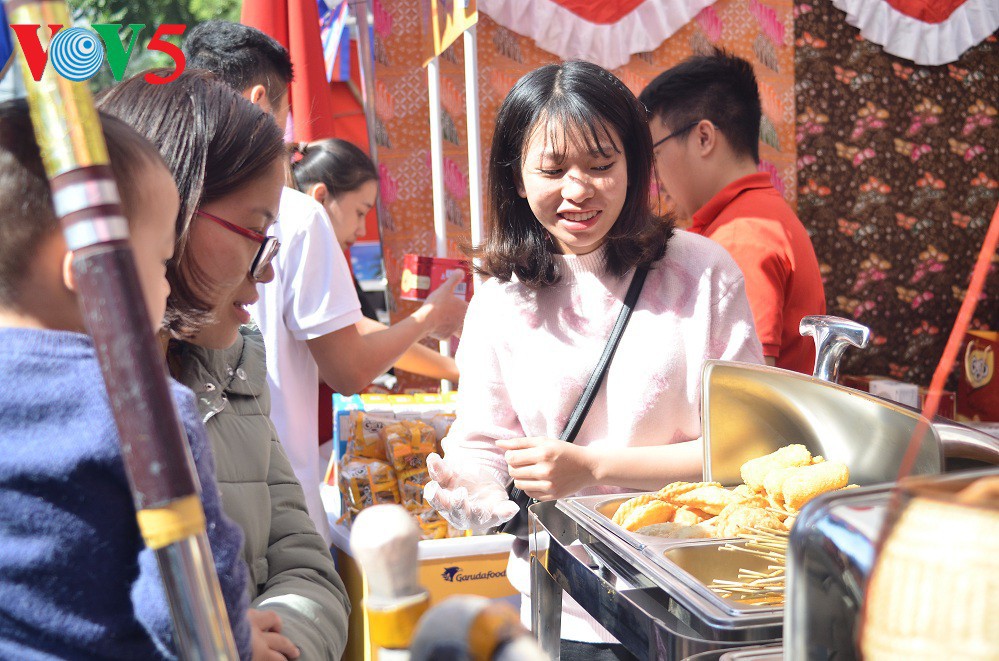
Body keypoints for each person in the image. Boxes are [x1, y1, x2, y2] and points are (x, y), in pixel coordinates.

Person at [423, 61, 764, 659]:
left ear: (635, 165)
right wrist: (469, 486)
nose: (578, 190)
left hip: (691, 604)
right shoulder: (500, 301)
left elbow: (747, 450)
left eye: (602, 165)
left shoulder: (703, 273)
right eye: (553, 169)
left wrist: (593, 467)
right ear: (517, 177)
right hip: (562, 609)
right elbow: (483, 443)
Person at [99, 70, 351, 660]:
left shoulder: (234, 360)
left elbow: (305, 567)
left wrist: (275, 644)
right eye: (255, 230)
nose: (268, 268)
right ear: (167, 214)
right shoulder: (61, 398)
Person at [183, 20, 467, 541]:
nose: (259, 277)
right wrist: (431, 320)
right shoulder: (295, 217)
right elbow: (348, 365)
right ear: (260, 100)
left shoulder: (168, 200)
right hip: (274, 501)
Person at [0, 100, 253, 659]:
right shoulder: (142, 407)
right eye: (161, 262)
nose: (167, 286)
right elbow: (188, 610)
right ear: (88, 271)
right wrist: (240, 639)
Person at [639, 50, 826, 374]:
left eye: (655, 153)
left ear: (703, 137)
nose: (655, 174)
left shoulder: (742, 236)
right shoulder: (752, 218)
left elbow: (745, 383)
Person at [290, 138, 460, 380]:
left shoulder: (289, 237)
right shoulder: (308, 246)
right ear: (321, 197)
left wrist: (456, 370)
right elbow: (351, 370)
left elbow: (359, 331)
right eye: (360, 212)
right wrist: (429, 318)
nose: (361, 229)